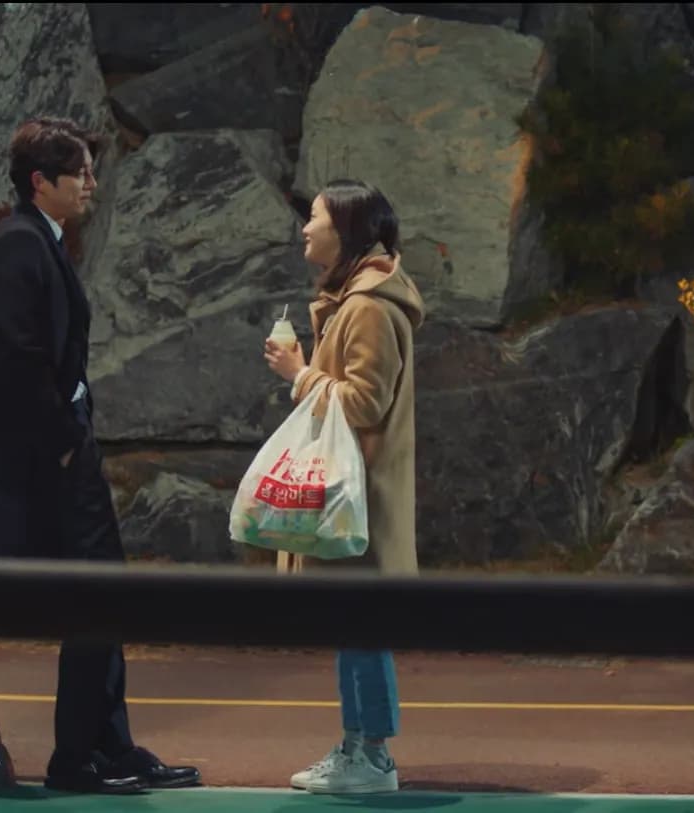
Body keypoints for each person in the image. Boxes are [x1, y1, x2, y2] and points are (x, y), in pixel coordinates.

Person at [0, 116, 201, 795]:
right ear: (40, 182)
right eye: (79, 172)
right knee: (95, 592)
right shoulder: (18, 246)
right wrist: (62, 443)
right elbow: (14, 360)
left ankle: (104, 745)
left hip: (58, 449)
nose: (91, 183)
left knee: (101, 594)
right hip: (47, 458)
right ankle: (80, 756)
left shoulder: (37, 241)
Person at [264, 179, 425, 795]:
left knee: (362, 625)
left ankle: (373, 755)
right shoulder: (355, 302)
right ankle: (358, 746)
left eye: (315, 217)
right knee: (353, 623)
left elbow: (364, 401)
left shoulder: (367, 307)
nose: (305, 227)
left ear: (347, 231)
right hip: (353, 494)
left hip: (358, 496)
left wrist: (301, 373)